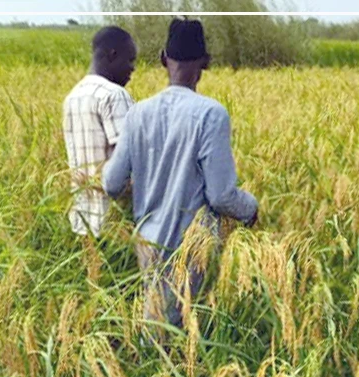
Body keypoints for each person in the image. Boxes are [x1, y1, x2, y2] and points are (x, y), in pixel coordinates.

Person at [102, 18, 259, 329]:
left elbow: (111, 182)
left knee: (158, 319)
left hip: (148, 243)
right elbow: (221, 194)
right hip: (189, 248)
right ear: (205, 63)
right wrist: (250, 208)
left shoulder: (138, 113)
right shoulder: (211, 114)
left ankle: (148, 369)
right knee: (173, 334)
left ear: (163, 58)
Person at [63, 26, 138, 238]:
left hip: (82, 219)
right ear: (113, 55)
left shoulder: (73, 96)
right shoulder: (114, 95)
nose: (132, 69)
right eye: (130, 60)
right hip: (115, 222)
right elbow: (127, 162)